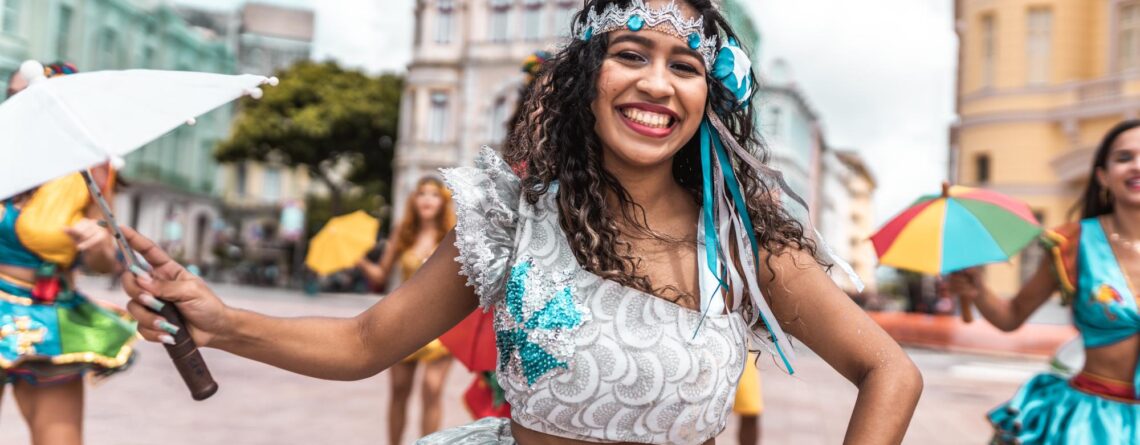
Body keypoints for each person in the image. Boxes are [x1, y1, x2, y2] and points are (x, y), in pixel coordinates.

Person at [117, 1, 922, 443]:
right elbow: (365, 343)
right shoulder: (512, 215)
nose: (657, 83)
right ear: (587, 77)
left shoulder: (744, 238)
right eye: (630, 53)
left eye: (685, 66)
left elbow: (892, 371)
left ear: (711, 102)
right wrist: (221, 321)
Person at [949, 119, 1140, 444]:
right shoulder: (1073, 243)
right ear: (1103, 176)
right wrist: (977, 289)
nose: (1137, 166)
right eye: (1124, 158)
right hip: (1087, 424)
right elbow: (1011, 316)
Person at [0, 61, 137, 444]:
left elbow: (106, 259)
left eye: (36, 98)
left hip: (51, 313)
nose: (21, 105)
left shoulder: (87, 170)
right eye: (14, 96)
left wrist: (96, 245)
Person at [357, 177, 456, 443]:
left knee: (432, 389)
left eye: (433, 194)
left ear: (443, 200)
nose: (426, 199)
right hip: (405, 322)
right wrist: (358, 259)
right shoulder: (403, 232)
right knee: (399, 390)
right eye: (421, 193)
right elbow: (380, 275)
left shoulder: (452, 233)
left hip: (442, 323)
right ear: (414, 199)